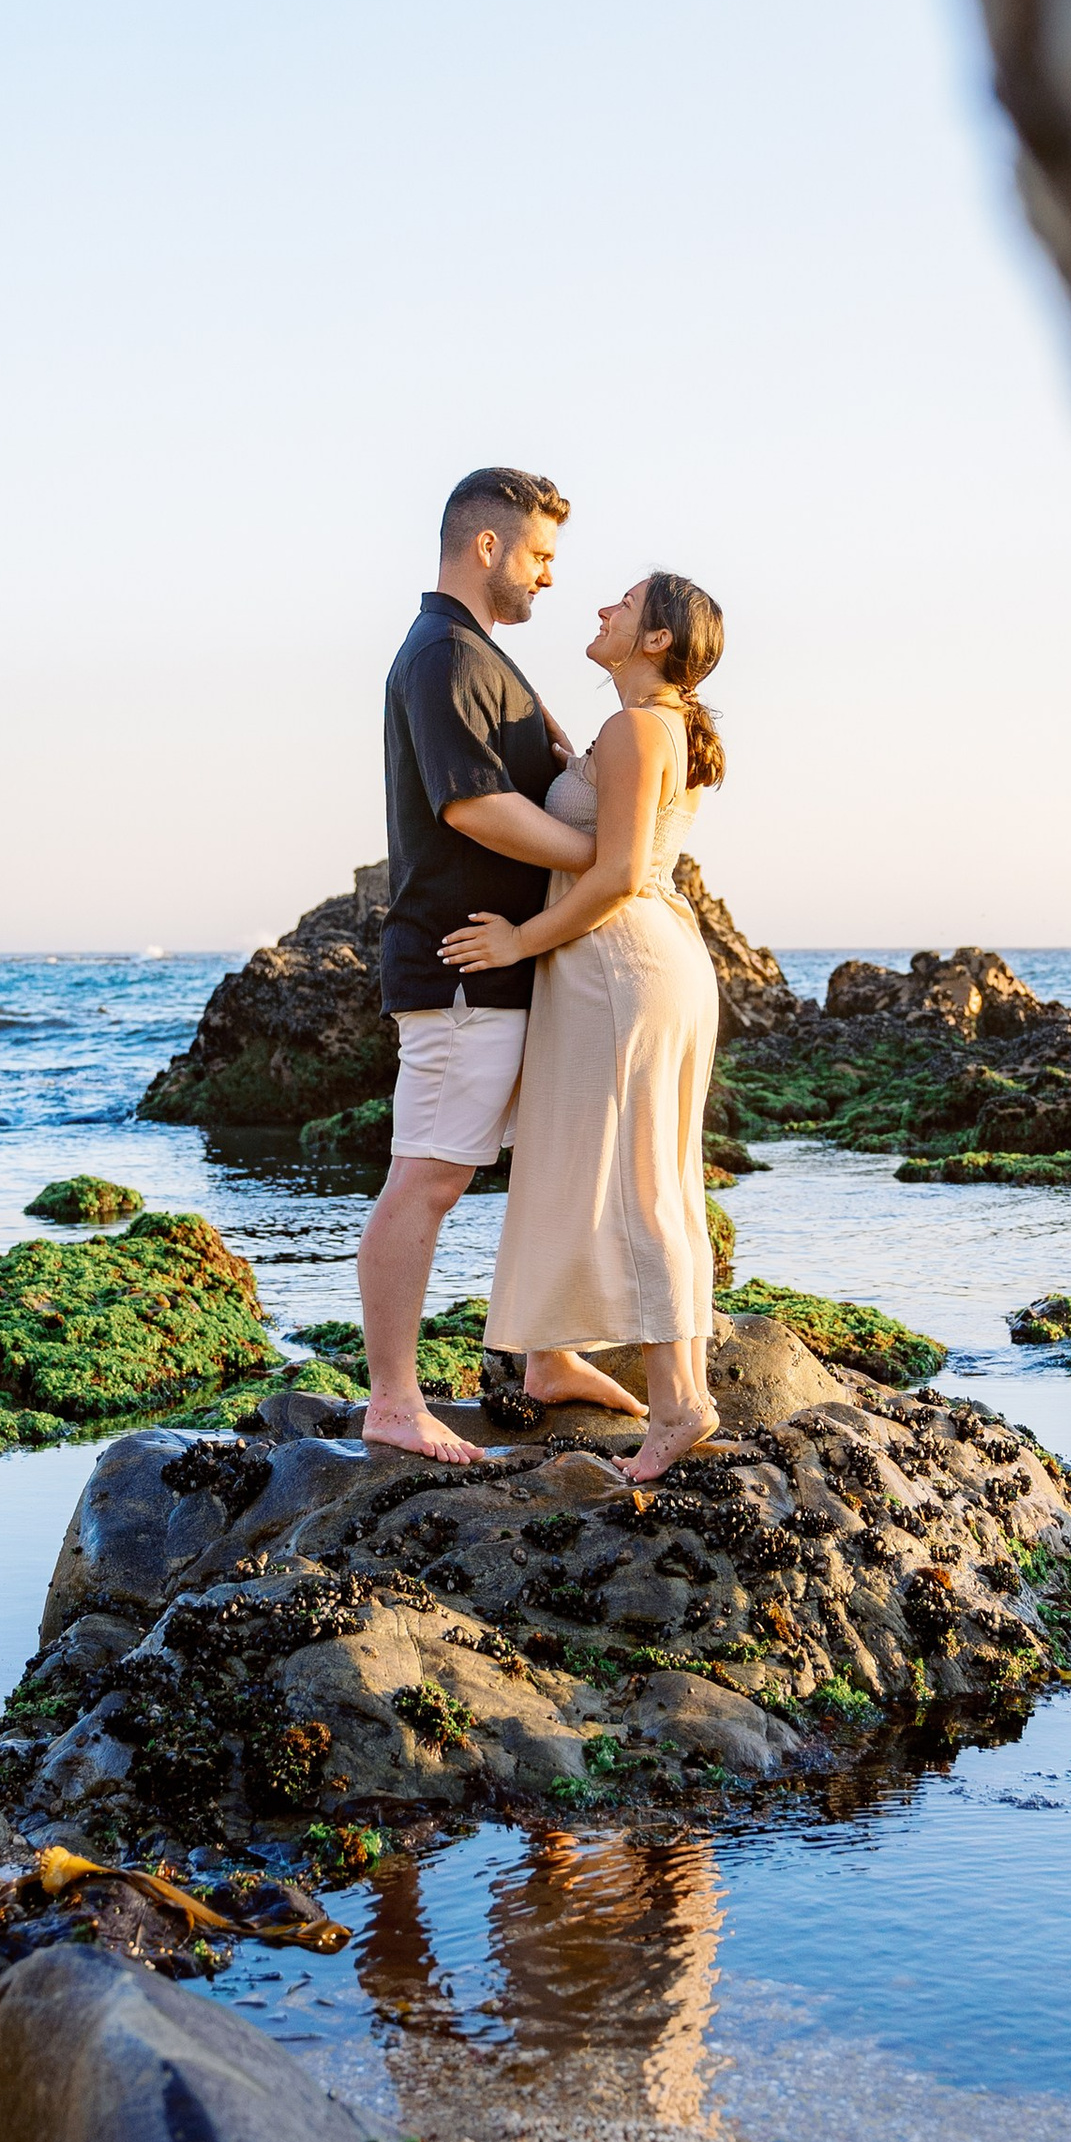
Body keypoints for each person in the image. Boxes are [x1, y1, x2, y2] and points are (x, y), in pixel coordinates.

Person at [358, 468, 651, 1460]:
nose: (548, 577)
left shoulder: (481, 657)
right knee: (428, 1181)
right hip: (456, 963)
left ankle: (548, 1356)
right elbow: (473, 806)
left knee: (549, 1169)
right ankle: (393, 1404)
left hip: (514, 965)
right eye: (539, 556)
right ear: (485, 546)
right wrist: (610, 864)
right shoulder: (442, 653)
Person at [441, 569, 727, 1482]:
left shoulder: (641, 726)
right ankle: (553, 1353)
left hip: (621, 968)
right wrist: (571, 758)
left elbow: (613, 873)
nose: (602, 608)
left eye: (625, 605)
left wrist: (517, 940)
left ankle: (681, 1405)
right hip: (623, 966)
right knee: (599, 1167)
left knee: (643, 1183)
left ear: (655, 641)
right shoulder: (639, 727)